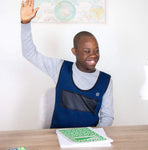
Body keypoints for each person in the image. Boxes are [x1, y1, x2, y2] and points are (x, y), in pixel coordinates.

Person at [20, 0, 114, 128]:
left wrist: (93, 136)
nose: (93, 55)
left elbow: (107, 117)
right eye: (87, 51)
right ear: (74, 52)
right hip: (57, 137)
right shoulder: (60, 68)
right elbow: (30, 54)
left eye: (96, 50)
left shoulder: (106, 80)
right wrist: (25, 23)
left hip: (89, 140)